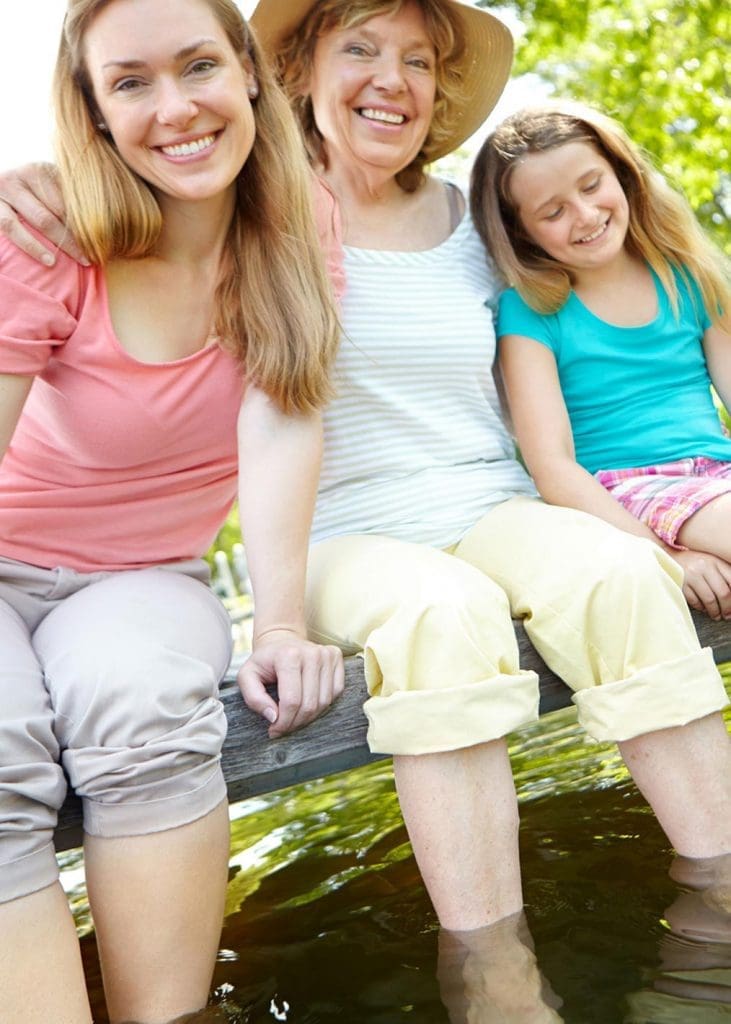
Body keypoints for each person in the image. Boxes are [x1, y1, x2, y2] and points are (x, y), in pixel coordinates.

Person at [2, 0, 731, 958]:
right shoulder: (254, 207)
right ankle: (493, 973)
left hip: (491, 506)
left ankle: (716, 897)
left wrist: (667, 518)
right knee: (437, 615)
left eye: (418, 61)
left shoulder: (482, 227)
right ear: (295, 70)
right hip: (341, 532)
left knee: (616, 577)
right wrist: (45, 178)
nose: (392, 79)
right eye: (361, 50)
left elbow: (599, 336)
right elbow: (125, 186)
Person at [0, 1, 343, 1022]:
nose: (176, 108)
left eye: (198, 65)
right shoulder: (45, 230)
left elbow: (283, 418)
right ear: (95, 114)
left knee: (146, 707)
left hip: (142, 576)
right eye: (130, 82)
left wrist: (279, 622)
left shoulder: (299, 223)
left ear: (247, 72)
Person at [470, 102, 731, 625]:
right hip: (623, 493)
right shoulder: (532, 312)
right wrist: (669, 560)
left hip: (717, 477)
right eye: (553, 211)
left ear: (622, 175)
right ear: (522, 232)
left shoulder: (686, 276)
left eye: (591, 186)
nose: (585, 215)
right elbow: (554, 468)